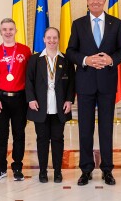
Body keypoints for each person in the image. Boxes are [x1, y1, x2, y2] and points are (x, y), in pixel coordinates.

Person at [66, 0, 121, 186]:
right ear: (87, 1)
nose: (95, 2)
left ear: (104, 1)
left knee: (107, 128)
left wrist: (110, 59)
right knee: (85, 129)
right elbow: (70, 51)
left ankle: (107, 169)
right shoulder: (78, 24)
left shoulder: (116, 24)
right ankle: (86, 169)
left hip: (107, 84)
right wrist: (85, 60)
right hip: (85, 84)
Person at [26, 27, 75, 183]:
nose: (52, 41)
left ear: (58, 39)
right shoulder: (35, 59)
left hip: (59, 106)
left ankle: (58, 171)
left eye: (55, 38)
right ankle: (42, 171)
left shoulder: (66, 59)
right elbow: (29, 81)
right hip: (40, 106)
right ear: (44, 39)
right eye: (49, 38)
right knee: (42, 139)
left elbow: (71, 83)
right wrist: (31, 99)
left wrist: (69, 100)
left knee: (58, 139)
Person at [0, 18, 31, 181]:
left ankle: (18, 167)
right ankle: (1, 168)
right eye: (4, 29)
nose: (7, 32)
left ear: (15, 31)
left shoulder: (25, 51)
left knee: (19, 134)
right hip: (1, 99)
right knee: (1, 135)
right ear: (0, 32)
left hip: (20, 99)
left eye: (11, 29)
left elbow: (31, 76)